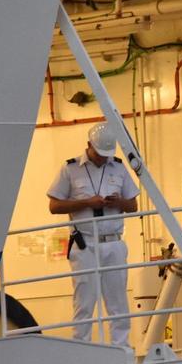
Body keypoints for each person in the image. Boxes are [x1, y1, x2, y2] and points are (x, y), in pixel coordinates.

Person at [46, 121, 139, 346]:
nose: (102, 158)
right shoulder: (70, 168)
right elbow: (54, 206)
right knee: (84, 302)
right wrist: (87, 202)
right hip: (85, 243)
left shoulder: (118, 167)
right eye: (99, 154)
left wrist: (120, 202)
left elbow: (133, 206)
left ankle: (121, 348)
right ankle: (83, 349)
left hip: (114, 242)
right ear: (89, 145)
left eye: (106, 154)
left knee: (118, 301)